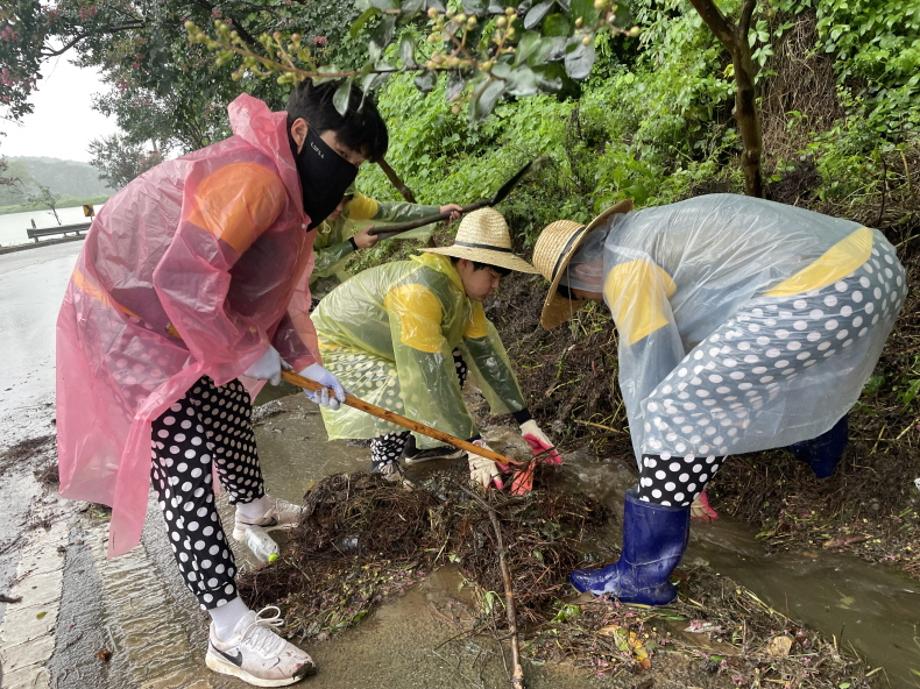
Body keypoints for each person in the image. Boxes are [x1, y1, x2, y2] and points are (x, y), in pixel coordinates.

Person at [55, 79, 388, 686]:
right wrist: (241, 346)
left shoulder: (296, 198)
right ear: (299, 133)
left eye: (356, 169)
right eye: (341, 157)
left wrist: (302, 360)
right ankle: (227, 627)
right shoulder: (254, 178)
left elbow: (276, 292)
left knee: (225, 397)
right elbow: (183, 281)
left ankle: (254, 510)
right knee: (179, 446)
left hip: (182, 313)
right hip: (126, 313)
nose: (344, 177)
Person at [530, 193, 906, 605]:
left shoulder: (624, 270)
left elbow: (652, 380)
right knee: (783, 372)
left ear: (582, 269)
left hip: (822, 293)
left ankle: (640, 576)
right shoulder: (650, 231)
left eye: (583, 296)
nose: (595, 302)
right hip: (873, 263)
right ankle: (820, 459)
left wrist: (675, 470)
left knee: (676, 408)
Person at [311, 207, 561, 486]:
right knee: (402, 384)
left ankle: (421, 447)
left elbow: (486, 356)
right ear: (466, 262)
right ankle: (384, 466)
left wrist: (526, 421)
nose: (496, 286)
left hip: (377, 341)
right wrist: (474, 444)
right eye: (492, 276)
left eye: (500, 279)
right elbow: (430, 374)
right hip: (336, 342)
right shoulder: (419, 292)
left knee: (456, 359)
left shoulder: (462, 293)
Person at [309, 184, 463, 299]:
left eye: (345, 201)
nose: (339, 208)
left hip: (324, 279)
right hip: (293, 286)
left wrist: (437, 211)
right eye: (334, 200)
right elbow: (309, 264)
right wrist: (353, 244)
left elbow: (389, 213)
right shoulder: (301, 218)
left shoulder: (351, 205)